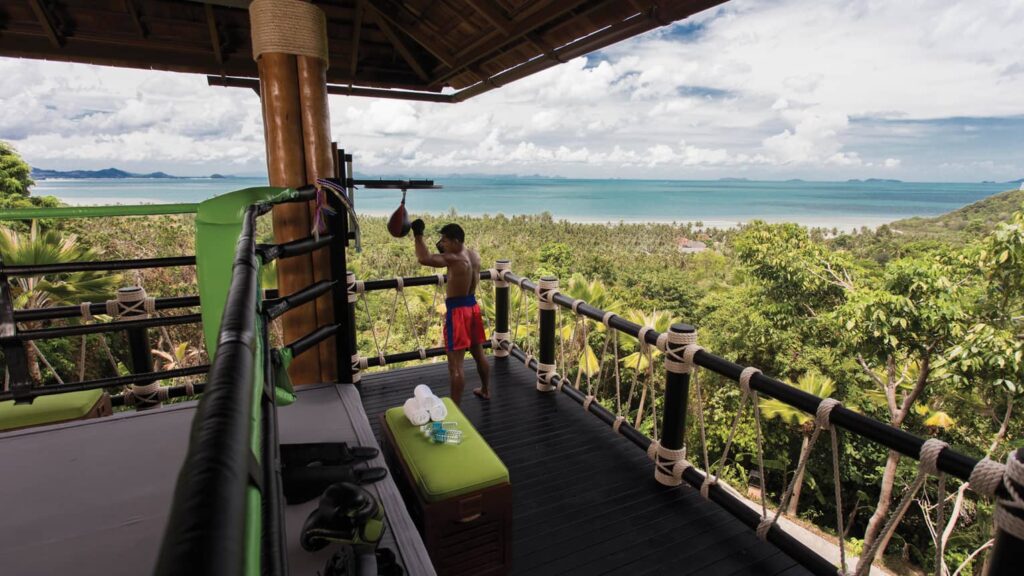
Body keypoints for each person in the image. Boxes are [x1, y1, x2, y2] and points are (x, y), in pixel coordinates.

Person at [410, 219, 491, 405]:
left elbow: (424, 258)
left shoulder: (453, 258)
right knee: (479, 354)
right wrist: (443, 247)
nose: (442, 243)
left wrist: (418, 234)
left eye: (445, 240)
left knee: (455, 365)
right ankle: (486, 390)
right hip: (472, 307)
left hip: (458, 312)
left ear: (455, 241)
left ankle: (454, 409)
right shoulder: (474, 255)